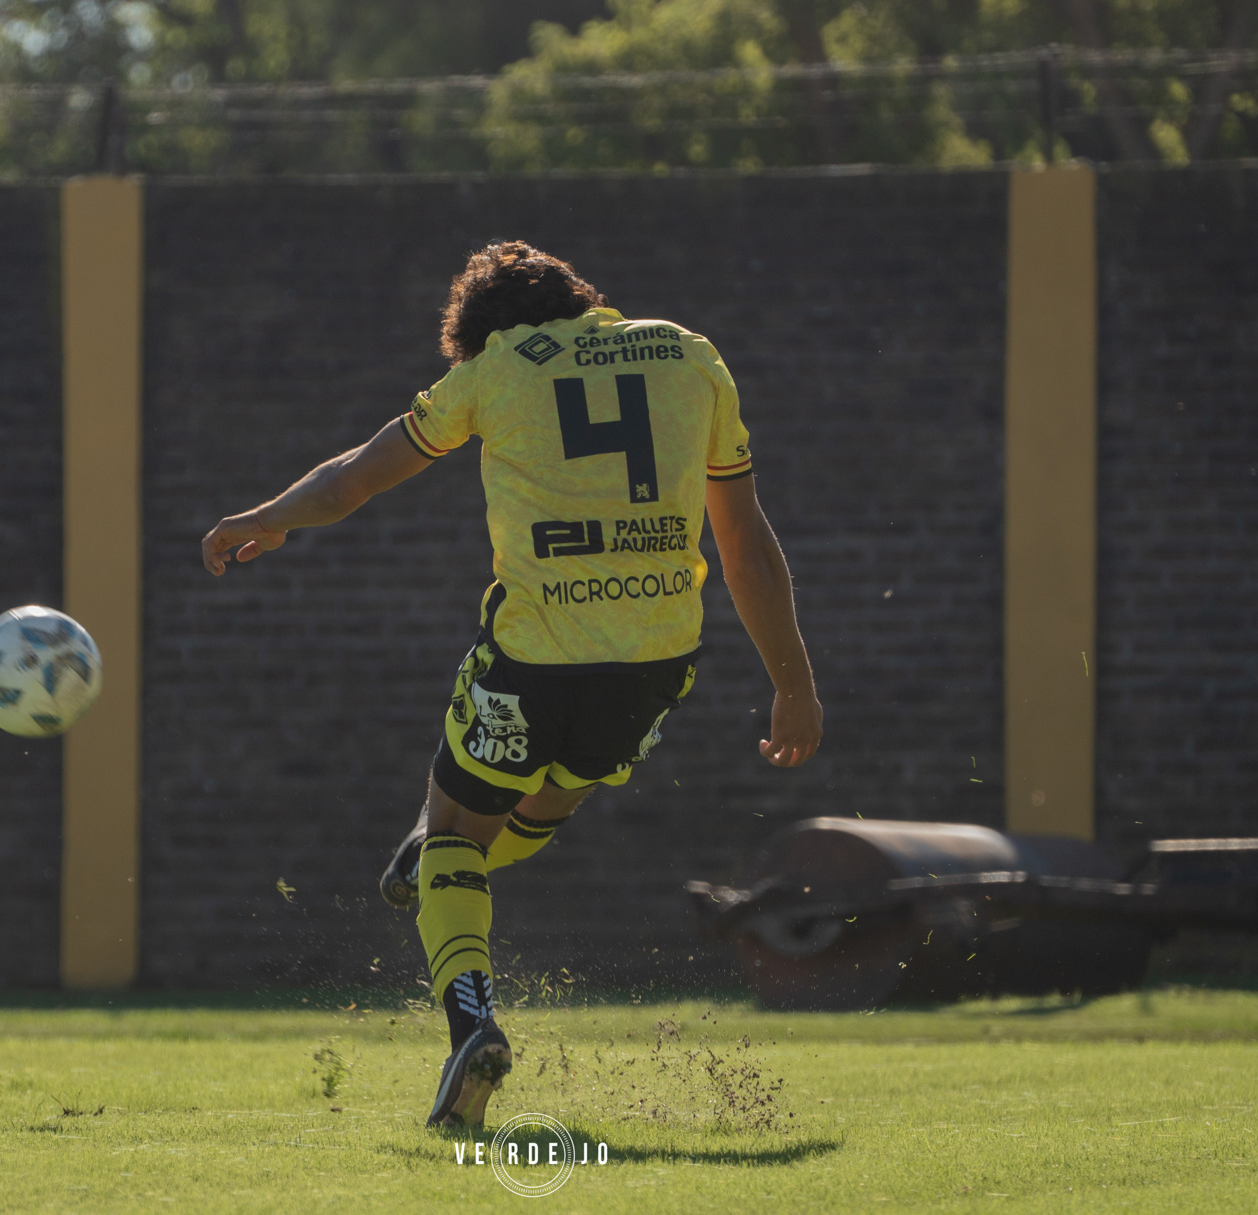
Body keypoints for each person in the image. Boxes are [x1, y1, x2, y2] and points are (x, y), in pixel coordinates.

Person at [202, 241, 821, 1129]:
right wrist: (794, 685)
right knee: (534, 814)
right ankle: (441, 866)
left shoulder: (494, 371)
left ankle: (469, 1018)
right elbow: (747, 550)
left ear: (484, 333)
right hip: (653, 665)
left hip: (533, 658)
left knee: (453, 830)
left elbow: (351, 482)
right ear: (579, 299)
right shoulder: (692, 355)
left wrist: (266, 518)